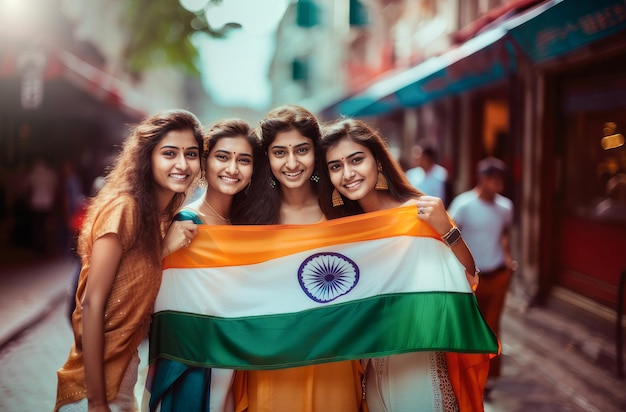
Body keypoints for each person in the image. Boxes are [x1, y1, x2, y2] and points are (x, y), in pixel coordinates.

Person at [318, 118, 485, 412]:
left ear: (378, 162)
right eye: (335, 166)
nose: (348, 173)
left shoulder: (418, 214)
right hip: (370, 374)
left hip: (420, 371)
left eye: (357, 160)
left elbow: (469, 280)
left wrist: (447, 229)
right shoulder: (341, 231)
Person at [54, 109, 204, 412]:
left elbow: (133, 278)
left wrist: (162, 247)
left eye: (191, 154)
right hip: (96, 385)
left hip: (124, 373)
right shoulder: (126, 207)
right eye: (170, 153)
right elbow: (92, 304)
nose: (182, 164)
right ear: (147, 157)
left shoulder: (158, 216)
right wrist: (97, 403)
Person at [231, 105, 365, 412]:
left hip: (334, 359)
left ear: (316, 153)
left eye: (301, 150)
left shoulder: (345, 210)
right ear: (267, 157)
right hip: (271, 361)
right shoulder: (248, 217)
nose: (292, 163)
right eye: (280, 152)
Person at [145, 118, 261, 412]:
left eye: (243, 160)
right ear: (205, 162)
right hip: (192, 371)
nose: (232, 169)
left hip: (233, 369)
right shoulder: (187, 225)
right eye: (222, 157)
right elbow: (160, 303)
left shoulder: (246, 227)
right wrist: (161, 250)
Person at [447, 156, 514, 386]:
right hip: (470, 277)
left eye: (501, 181)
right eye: (495, 180)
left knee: (492, 326)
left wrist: (507, 258)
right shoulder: (463, 205)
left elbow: (504, 233)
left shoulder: (505, 206)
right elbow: (448, 236)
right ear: (483, 179)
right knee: (470, 325)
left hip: (498, 274)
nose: (500, 185)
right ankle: (468, 373)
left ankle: (489, 376)